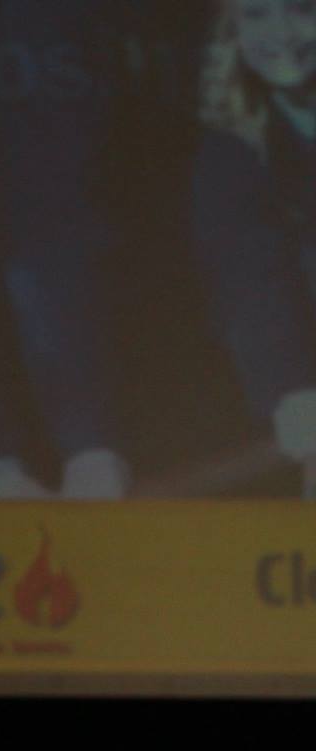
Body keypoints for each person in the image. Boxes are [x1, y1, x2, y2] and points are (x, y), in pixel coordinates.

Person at [190, 0, 316, 479]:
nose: (280, 33)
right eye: (257, 14)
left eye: (303, 9)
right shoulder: (231, 149)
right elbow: (247, 278)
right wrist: (294, 391)